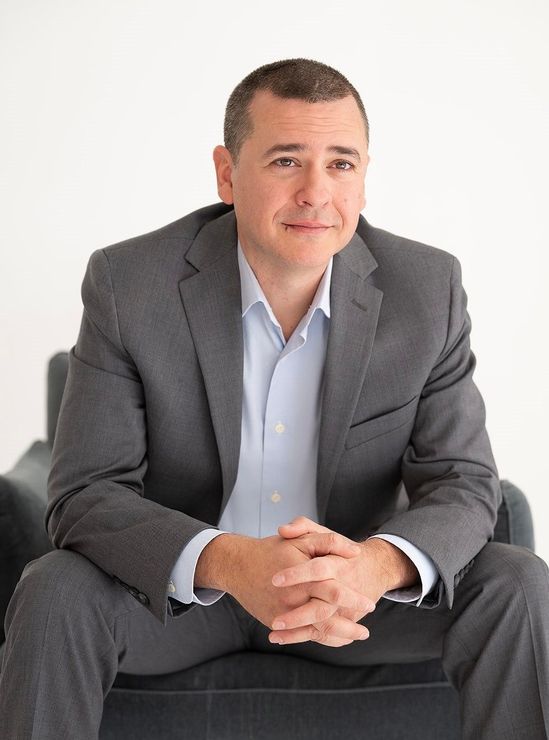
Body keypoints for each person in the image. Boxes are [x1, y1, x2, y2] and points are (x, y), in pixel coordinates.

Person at [0, 58, 547, 739]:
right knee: (56, 589)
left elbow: (464, 484)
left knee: (515, 581)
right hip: (186, 599)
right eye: (286, 160)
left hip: (353, 600)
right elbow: (85, 493)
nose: (317, 192)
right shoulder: (129, 283)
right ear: (227, 174)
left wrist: (373, 567)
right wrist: (232, 562)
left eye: (341, 163)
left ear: (365, 176)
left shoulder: (425, 289)